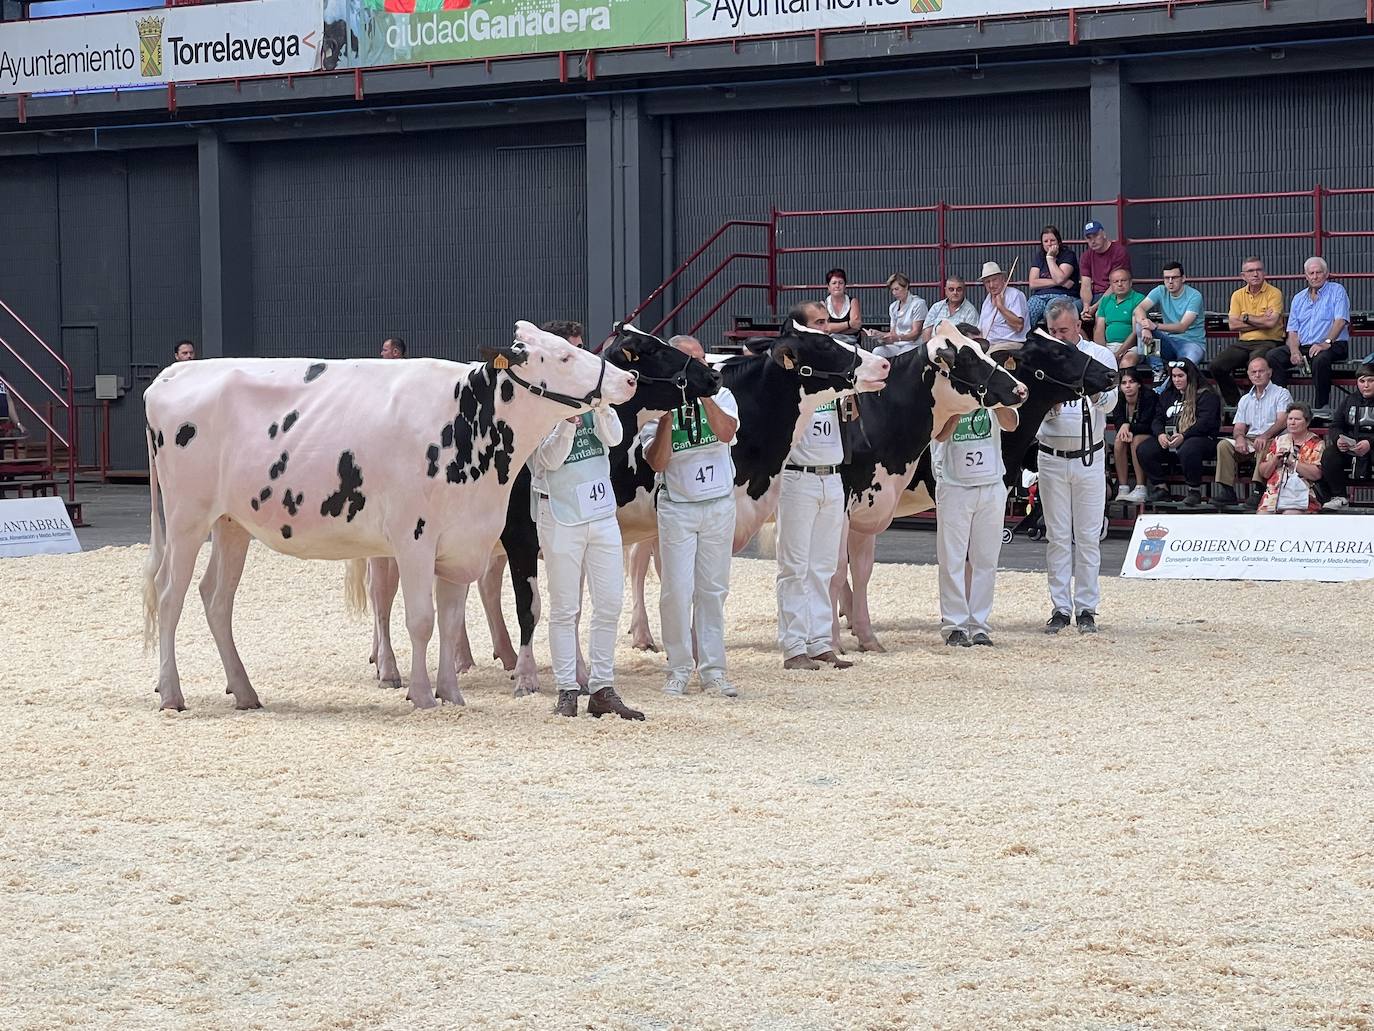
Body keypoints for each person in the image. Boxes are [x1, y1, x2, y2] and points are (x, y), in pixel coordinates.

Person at [530, 400, 643, 720]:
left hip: (601, 512)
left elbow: (615, 438)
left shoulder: (597, 404)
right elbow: (548, 459)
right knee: (566, 606)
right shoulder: (539, 406)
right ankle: (567, 689)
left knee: (610, 602)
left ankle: (603, 688)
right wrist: (568, 421)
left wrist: (603, 407)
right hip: (558, 512)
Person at [641, 334, 741, 697]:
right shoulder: (658, 406)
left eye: (701, 360)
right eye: (690, 362)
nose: (700, 367)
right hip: (678, 508)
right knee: (676, 592)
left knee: (713, 591)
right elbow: (657, 462)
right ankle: (679, 668)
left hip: (718, 503)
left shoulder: (722, 394)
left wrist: (704, 394)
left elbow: (727, 433)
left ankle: (714, 671)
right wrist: (667, 418)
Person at [1036, 297, 1118, 635]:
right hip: (1051, 455)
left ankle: (1086, 607)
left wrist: (1091, 389)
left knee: (1087, 536)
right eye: (1053, 330)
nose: (1058, 335)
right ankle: (1060, 607)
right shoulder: (1042, 360)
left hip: (1089, 455)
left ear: (1078, 327)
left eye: (1063, 330)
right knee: (1056, 537)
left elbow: (1111, 402)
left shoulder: (1099, 357)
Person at [776, 333, 852, 671]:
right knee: (794, 566)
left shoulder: (833, 387)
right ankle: (793, 647)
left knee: (824, 565)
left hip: (832, 474)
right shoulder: (793, 383)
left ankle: (820, 641)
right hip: (798, 474)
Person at [931, 396, 1018, 647]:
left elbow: (1011, 424)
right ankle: (954, 625)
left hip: (991, 483)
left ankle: (979, 625)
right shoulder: (946, 395)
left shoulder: (993, 394)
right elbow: (940, 434)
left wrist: (996, 398)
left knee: (986, 560)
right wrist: (961, 404)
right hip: (954, 485)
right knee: (952, 559)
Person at [1267, 257, 1350, 421]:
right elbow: (1292, 330)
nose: (1315, 276)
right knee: (1273, 356)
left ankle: (1321, 408)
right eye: (1311, 273)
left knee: (1320, 359)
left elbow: (1341, 320)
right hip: (1305, 346)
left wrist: (1326, 343)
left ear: (1326, 274)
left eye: (1318, 272)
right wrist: (1294, 350)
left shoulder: (1337, 290)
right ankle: (1282, 408)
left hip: (1333, 344)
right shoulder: (1298, 298)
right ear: (1306, 276)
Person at [1136, 358, 1222, 508]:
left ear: (1190, 376)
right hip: (1170, 439)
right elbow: (1157, 419)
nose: (1176, 380)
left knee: (1189, 447)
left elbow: (1205, 423)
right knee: (1144, 449)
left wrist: (1184, 435)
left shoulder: (1206, 394)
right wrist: (1160, 434)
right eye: (1174, 376)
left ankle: (1194, 490)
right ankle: (1160, 487)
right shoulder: (1167, 395)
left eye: (1180, 376)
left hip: (1200, 440)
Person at [1213, 356, 1292, 509]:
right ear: (1249, 375)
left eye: (1261, 371)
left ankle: (1258, 490)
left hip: (1273, 438)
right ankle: (1227, 491)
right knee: (1224, 445)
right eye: (1253, 372)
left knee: (1264, 443)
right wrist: (1240, 438)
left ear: (1269, 372)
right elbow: (1239, 426)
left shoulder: (1281, 393)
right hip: (1250, 439)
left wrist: (1265, 435)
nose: (1257, 375)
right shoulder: (1245, 399)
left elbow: (1282, 421)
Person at [1209, 258, 1285, 407]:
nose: (1255, 274)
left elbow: (1271, 323)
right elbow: (1232, 324)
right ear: (1243, 276)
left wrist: (1246, 318)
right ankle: (1238, 406)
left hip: (1269, 342)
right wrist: (1260, 321)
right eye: (1251, 271)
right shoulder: (1237, 295)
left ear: (1264, 273)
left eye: (1259, 270)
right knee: (1216, 366)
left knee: (1255, 365)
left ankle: (1259, 406)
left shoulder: (1275, 293)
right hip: (1243, 343)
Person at [1132, 262, 1206, 379]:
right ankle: (1158, 370)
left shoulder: (1194, 296)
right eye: (1167, 278)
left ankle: (1165, 386)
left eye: (1174, 277)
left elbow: (1182, 327)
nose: (1170, 281)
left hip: (1192, 343)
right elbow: (1139, 309)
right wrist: (1145, 327)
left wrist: (1155, 326)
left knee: (1184, 368)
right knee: (1140, 325)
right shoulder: (1160, 290)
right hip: (1169, 342)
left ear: (1183, 278)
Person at [1320, 359, 1374, 511]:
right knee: (1330, 454)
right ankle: (1340, 497)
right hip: (1353, 446)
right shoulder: (1350, 400)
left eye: (1371, 381)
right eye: (1362, 381)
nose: (1366, 385)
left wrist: (1370, 443)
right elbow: (1336, 425)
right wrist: (1338, 440)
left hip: (1372, 446)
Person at [1256, 403, 1325, 514]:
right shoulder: (1279, 440)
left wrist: (1293, 462)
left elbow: (1316, 474)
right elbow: (1264, 472)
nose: (1292, 422)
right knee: (1263, 515)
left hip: (1302, 494)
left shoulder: (1317, 443)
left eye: (1297, 419)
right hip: (1275, 493)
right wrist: (1274, 461)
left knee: (1290, 514)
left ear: (1307, 422)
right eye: (1290, 419)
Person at [1109, 366, 1158, 504]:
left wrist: (1128, 426)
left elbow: (1148, 425)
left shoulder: (1149, 397)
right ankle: (1123, 488)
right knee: (1119, 439)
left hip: (1151, 436)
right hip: (1130, 434)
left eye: (1131, 382)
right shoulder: (1118, 398)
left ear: (1139, 384)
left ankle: (1141, 488)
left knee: (1136, 441)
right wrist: (1124, 427)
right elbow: (1118, 421)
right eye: (1124, 383)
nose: (1128, 386)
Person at [1026, 225, 1081, 330]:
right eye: (1045, 241)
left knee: (1052, 311)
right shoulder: (1039, 256)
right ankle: (1028, 339)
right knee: (1030, 308)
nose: (1049, 244)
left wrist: (1050, 258)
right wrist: (1060, 283)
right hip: (1040, 296)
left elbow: (1059, 278)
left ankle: (1053, 341)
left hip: (1063, 295)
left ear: (1059, 241)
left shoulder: (1068, 255)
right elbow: (1033, 283)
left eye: (1052, 240)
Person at [1079, 221, 1132, 320]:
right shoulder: (1086, 256)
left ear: (1103, 234)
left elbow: (1116, 285)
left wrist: (1094, 307)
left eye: (1095, 235)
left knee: (1100, 314)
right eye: (1089, 238)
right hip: (1093, 296)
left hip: (1115, 295)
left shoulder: (1119, 252)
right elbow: (1085, 285)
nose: (1093, 241)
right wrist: (1086, 306)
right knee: (1066, 310)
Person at [1094, 268, 1147, 368]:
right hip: (1108, 346)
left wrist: (1118, 353)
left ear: (1130, 283)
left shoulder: (1139, 299)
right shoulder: (1105, 301)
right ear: (1111, 285)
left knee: (1127, 362)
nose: (1119, 284)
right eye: (1116, 281)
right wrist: (1103, 352)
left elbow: (1136, 332)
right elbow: (1099, 330)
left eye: (1123, 280)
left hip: (1131, 348)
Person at [873, 273, 928, 358]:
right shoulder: (893, 306)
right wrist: (880, 335)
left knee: (901, 356)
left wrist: (898, 338)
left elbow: (916, 333)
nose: (894, 293)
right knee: (877, 351)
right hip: (897, 344)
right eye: (892, 290)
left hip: (913, 345)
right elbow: (893, 333)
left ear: (906, 287)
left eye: (897, 289)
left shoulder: (918, 304)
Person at [977, 261, 1027, 344]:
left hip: (1008, 345)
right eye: (987, 282)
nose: (991, 285)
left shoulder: (1015, 295)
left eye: (994, 280)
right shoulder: (987, 301)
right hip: (987, 345)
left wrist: (1001, 307)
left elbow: (1018, 326)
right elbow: (981, 329)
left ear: (1003, 279)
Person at [921, 276, 979, 342]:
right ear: (945, 291)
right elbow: (927, 332)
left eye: (959, 289)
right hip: (934, 348)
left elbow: (971, 340)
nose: (955, 293)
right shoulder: (936, 307)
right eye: (951, 289)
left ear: (964, 291)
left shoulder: (970, 311)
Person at [822, 268, 861, 344]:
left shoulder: (853, 302)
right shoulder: (823, 305)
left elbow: (856, 326)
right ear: (828, 287)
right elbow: (825, 328)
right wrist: (849, 324)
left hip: (851, 343)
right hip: (830, 344)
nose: (837, 286)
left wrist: (833, 329)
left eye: (840, 283)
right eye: (834, 283)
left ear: (845, 286)